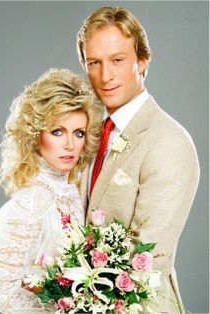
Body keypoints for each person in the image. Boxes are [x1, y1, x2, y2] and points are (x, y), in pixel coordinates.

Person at [77, 6, 200, 313]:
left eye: (118, 60)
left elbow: (148, 260)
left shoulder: (169, 142)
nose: (105, 76)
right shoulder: (86, 134)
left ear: (142, 62)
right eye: (95, 62)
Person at [0, 68, 102, 313]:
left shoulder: (72, 195)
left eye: (78, 133)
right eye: (57, 131)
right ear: (35, 135)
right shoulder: (30, 205)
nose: (70, 144)